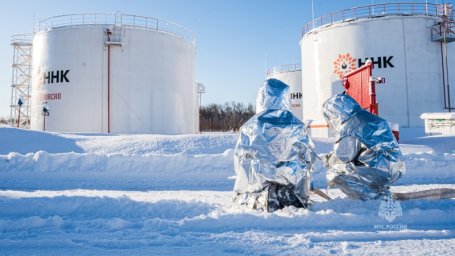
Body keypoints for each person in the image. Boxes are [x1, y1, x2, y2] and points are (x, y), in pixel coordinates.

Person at [233, 78, 317, 212]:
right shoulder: (298, 125)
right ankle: (292, 200)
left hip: (258, 183)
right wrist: (308, 184)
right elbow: (309, 156)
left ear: (261, 98)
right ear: (285, 98)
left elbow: (240, 157)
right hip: (292, 182)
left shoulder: (251, 126)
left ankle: (259, 200)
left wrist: (242, 182)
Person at [322, 94, 405, 200]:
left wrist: (330, 160)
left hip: (379, 168)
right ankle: (379, 189)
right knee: (357, 165)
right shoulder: (368, 117)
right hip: (395, 166)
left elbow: (344, 156)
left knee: (335, 174)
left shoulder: (348, 126)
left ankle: (370, 197)